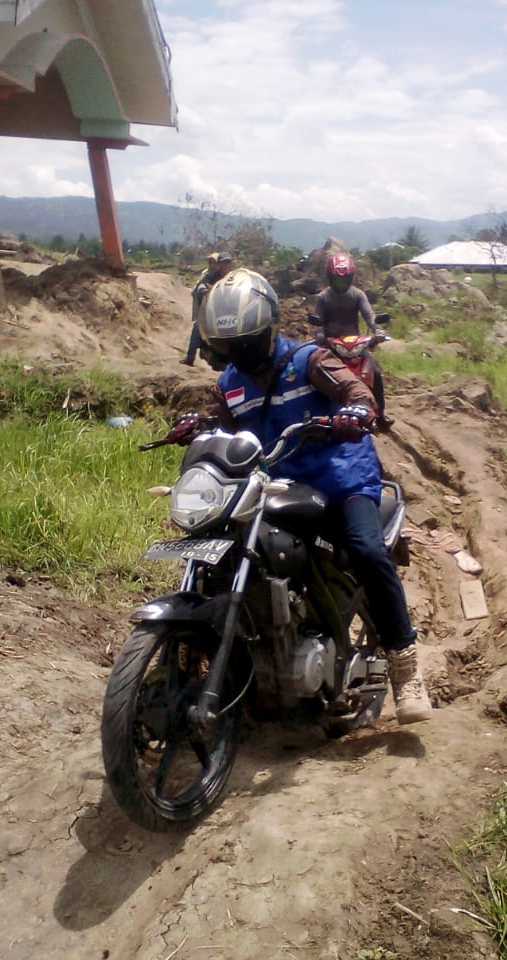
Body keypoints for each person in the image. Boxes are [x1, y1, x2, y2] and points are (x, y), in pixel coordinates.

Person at [176, 267, 432, 725]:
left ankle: (404, 666)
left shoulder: (310, 360)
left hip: (341, 478)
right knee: (230, 550)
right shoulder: (231, 381)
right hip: (280, 484)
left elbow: (358, 390)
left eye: (246, 342)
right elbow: (222, 420)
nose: (238, 353)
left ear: (268, 330)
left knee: (368, 551)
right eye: (226, 346)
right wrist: (197, 423)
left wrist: (355, 411)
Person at [312, 252, 390, 426]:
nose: (341, 284)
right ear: (330, 278)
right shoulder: (323, 297)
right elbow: (317, 320)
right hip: (331, 346)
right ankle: (317, 412)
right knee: (316, 374)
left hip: (356, 345)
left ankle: (381, 413)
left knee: (375, 373)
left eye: (345, 279)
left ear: (351, 278)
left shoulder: (358, 295)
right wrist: (320, 335)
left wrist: (376, 329)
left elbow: (369, 315)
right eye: (338, 280)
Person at [182, 251, 234, 366]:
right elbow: (202, 283)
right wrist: (203, 289)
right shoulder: (211, 276)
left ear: (231, 264)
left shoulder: (235, 277)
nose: (225, 265)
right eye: (223, 262)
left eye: (227, 262)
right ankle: (190, 358)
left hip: (231, 310)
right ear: (219, 264)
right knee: (197, 327)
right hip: (213, 310)